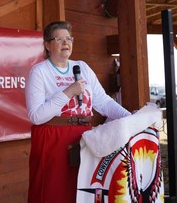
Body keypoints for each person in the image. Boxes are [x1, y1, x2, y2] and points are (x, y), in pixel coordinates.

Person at [25, 21, 131, 203]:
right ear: (47, 45)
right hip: (52, 138)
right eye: (59, 39)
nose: (65, 43)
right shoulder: (40, 71)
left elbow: (103, 102)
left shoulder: (82, 67)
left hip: (84, 137)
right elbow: (36, 116)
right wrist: (68, 93)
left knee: (81, 191)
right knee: (53, 192)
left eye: (69, 39)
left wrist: (130, 118)